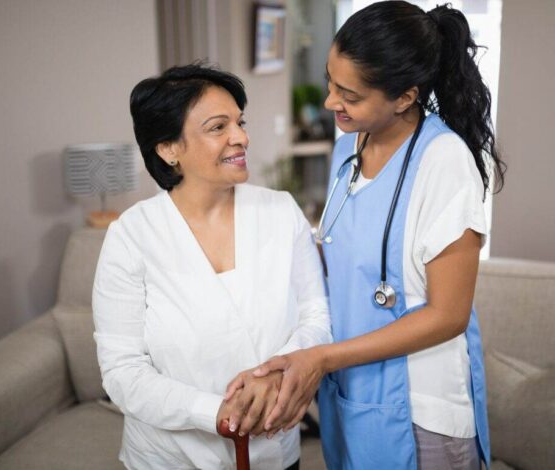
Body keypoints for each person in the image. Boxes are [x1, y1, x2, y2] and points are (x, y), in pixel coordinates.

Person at [226, 2, 506, 469]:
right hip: (350, 392)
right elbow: (338, 257)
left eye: (349, 95)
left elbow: (449, 314)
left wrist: (324, 358)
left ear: (403, 97)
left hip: (422, 405)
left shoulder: (443, 162)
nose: (330, 102)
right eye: (330, 83)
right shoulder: (347, 149)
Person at [92, 63, 331, 470]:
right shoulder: (132, 236)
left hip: (274, 451)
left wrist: (277, 375)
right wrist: (218, 412)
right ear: (169, 149)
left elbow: (316, 315)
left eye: (240, 122)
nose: (241, 137)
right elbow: (123, 372)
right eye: (218, 127)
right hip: (169, 458)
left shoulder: (280, 211)